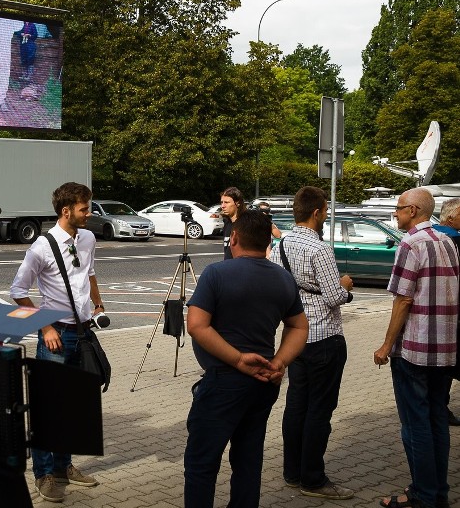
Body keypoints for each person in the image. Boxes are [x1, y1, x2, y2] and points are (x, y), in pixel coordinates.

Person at [183, 209, 308, 508]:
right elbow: (299, 326)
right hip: (264, 381)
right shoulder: (283, 278)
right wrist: (279, 362)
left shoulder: (216, 273)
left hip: (224, 381)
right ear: (267, 242)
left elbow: (197, 326)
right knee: (248, 460)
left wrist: (238, 360)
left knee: (202, 463)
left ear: (234, 237)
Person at [10, 182, 104, 503]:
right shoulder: (41, 247)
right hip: (56, 336)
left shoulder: (88, 238)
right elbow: (17, 290)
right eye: (84, 209)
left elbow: (89, 273)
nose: (89, 214)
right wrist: (45, 327)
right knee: (47, 407)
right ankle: (44, 474)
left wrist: (99, 305)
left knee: (72, 404)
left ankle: (64, 466)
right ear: (66, 211)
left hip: (83, 332)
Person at [373, 187, 460, 508]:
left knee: (415, 424)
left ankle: (423, 495)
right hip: (445, 349)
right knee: (437, 419)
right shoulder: (448, 243)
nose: (395, 213)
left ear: (413, 211)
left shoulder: (410, 244)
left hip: (415, 351)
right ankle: (438, 493)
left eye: (398, 208)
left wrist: (385, 345)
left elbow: (403, 299)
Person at [269, 186, 355, 499]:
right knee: (320, 410)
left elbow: (280, 288)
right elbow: (334, 296)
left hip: (295, 337)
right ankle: (313, 479)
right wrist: (345, 286)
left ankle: (292, 472)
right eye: (326, 210)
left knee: (296, 406)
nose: (327, 214)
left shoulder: (282, 243)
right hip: (324, 337)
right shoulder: (320, 248)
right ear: (316, 212)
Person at [433, 197, 460, 426]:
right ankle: (440, 408)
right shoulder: (452, 240)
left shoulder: (434, 236)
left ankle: (439, 407)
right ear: (451, 216)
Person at [220, 186, 247, 259]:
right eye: (221, 202)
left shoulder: (246, 223)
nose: (222, 206)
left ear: (237, 203)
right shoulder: (227, 223)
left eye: (226, 202)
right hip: (228, 267)